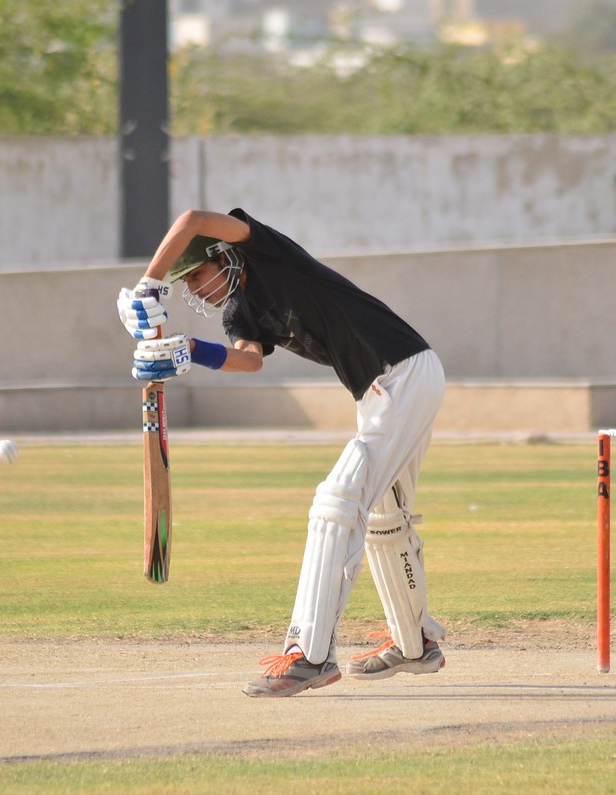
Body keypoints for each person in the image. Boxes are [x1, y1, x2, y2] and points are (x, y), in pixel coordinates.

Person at [117, 208, 447, 698]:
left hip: (402, 372)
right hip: (383, 388)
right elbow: (249, 360)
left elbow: (192, 219)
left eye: (196, 276)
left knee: (337, 502)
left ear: (224, 256)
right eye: (185, 284)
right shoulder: (238, 312)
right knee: (383, 514)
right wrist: (189, 350)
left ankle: (309, 655)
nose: (194, 290)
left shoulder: (265, 252)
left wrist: (148, 283)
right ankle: (415, 644)